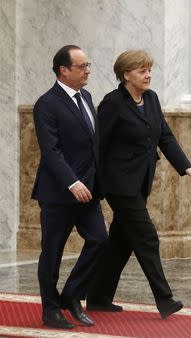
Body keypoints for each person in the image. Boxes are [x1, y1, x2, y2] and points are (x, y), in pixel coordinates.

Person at [87, 50, 191, 319]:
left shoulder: (150, 98)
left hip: (141, 181)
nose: (148, 75)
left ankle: (98, 297)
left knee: (121, 241)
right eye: (141, 70)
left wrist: (186, 166)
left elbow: (165, 136)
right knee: (147, 236)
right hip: (118, 184)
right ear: (126, 75)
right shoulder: (113, 103)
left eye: (149, 69)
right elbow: (97, 144)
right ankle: (165, 299)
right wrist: (92, 182)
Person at [32, 45, 107, 329]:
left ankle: (72, 296)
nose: (88, 70)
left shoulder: (86, 97)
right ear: (64, 70)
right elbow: (51, 152)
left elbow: (91, 145)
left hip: (88, 190)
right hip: (58, 193)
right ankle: (50, 310)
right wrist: (72, 182)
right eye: (82, 66)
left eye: (88, 65)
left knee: (100, 240)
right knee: (52, 252)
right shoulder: (46, 104)